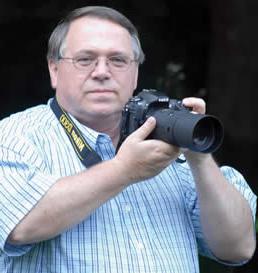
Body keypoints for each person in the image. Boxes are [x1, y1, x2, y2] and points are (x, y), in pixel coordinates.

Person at [0, 6, 256, 273]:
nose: (101, 71)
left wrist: (200, 159)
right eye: (85, 59)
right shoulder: (15, 136)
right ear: (54, 70)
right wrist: (124, 170)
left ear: (134, 74)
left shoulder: (168, 148)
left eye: (118, 60)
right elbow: (20, 225)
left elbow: (238, 247)